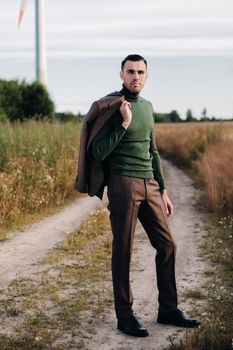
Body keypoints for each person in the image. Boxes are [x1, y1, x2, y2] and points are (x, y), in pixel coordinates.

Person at [75, 54, 200, 337]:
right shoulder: (113, 108)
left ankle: (168, 308)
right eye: (130, 71)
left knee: (167, 245)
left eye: (140, 72)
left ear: (147, 76)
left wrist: (164, 189)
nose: (135, 77)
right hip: (123, 185)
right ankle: (125, 315)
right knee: (124, 250)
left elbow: (152, 150)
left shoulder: (149, 107)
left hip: (150, 185)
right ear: (121, 75)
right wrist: (123, 124)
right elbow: (97, 152)